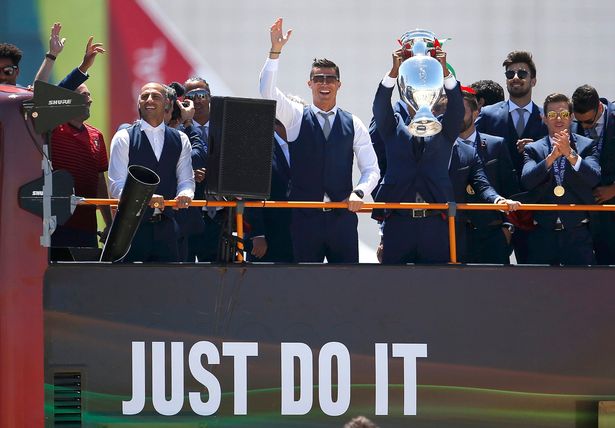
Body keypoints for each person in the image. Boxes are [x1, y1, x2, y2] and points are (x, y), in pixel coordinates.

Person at [259, 18, 379, 263]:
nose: (325, 83)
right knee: (305, 285)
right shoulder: (295, 116)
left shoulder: (353, 122)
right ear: (309, 84)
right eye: (319, 79)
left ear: (339, 84)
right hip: (305, 220)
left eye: (330, 79)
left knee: (345, 284)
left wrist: (359, 192)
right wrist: (275, 52)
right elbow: (267, 92)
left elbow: (371, 169)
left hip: (341, 220)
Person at [371, 46, 462, 264]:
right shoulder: (395, 128)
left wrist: (444, 72)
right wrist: (393, 73)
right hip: (399, 221)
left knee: (436, 287)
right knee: (393, 287)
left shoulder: (444, 131)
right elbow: (379, 108)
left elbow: (457, 109)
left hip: (435, 222)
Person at [108, 82, 195, 262]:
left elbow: (186, 179)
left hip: (168, 229)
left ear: (167, 104)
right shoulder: (124, 137)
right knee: (130, 284)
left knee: (169, 285)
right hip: (131, 229)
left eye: (155, 96)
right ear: (138, 103)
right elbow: (116, 185)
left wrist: (186, 194)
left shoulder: (181, 139)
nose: (149, 100)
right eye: (144, 96)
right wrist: (144, 199)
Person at [475, 51, 548, 264]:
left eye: (522, 73)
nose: (515, 77)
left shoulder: (546, 117)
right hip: (497, 210)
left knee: (535, 276)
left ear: (533, 80)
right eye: (510, 73)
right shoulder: (487, 114)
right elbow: (471, 150)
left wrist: (538, 148)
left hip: (534, 210)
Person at [521, 93, 601, 265]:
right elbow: (527, 181)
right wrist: (551, 158)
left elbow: (594, 178)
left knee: (582, 287)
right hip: (543, 232)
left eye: (564, 114)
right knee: (540, 288)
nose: (558, 118)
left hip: (577, 233)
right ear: (544, 118)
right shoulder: (533, 149)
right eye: (552, 114)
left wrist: (570, 154)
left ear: (571, 117)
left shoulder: (587, 145)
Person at [454, 89, 520, 264]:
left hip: (492, 234)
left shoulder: (496, 145)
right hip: (456, 233)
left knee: (497, 289)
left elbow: (510, 188)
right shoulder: (443, 147)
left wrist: (508, 227)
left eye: (461, 110)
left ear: (476, 113)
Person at [49, 83, 112, 259]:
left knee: (85, 282)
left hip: (87, 227)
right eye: (84, 95)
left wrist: (109, 223)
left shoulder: (96, 135)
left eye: (90, 95)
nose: (90, 100)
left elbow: (100, 181)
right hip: (56, 226)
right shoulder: (52, 129)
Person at [571, 84, 615, 264]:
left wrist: (613, 189)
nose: (583, 126)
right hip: (585, 216)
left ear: (599, 107)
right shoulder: (572, 123)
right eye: (579, 121)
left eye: (588, 122)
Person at [245, 119, 293, 262]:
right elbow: (250, 190)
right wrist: (258, 234)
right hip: (267, 237)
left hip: (296, 236)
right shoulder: (260, 144)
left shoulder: (302, 145)